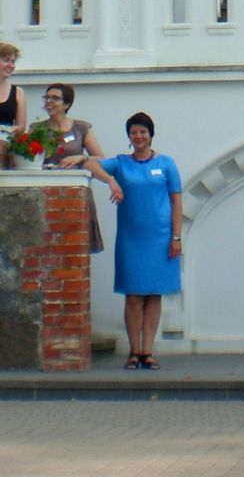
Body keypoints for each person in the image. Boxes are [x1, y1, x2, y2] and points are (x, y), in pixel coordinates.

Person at [85, 112, 183, 371]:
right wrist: (111, 181)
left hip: (160, 238)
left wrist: (176, 237)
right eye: (133, 132)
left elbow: (176, 201)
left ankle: (147, 351)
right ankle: (134, 350)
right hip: (131, 238)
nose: (138, 136)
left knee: (154, 295)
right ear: (129, 136)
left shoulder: (166, 163)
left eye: (142, 132)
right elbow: (91, 165)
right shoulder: (121, 163)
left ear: (151, 134)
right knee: (133, 295)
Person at [28, 82, 106, 253]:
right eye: (47, 97)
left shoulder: (81, 128)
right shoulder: (37, 129)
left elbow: (101, 159)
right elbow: (27, 159)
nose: (49, 101)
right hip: (46, 193)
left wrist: (81, 157)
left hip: (75, 193)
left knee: (76, 245)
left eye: (55, 98)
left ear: (67, 104)